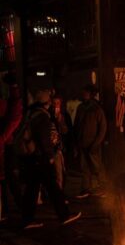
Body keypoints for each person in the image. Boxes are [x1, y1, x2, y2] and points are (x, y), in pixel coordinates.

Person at [19, 90, 80, 229]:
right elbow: (44, 139)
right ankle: (64, 215)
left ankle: (27, 220)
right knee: (53, 187)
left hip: (32, 156)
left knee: (32, 189)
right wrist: (50, 156)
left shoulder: (31, 113)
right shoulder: (42, 117)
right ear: (46, 103)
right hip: (41, 158)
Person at [74, 84, 107, 198]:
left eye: (86, 92)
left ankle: (104, 188)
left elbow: (103, 128)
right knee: (84, 168)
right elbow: (77, 125)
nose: (83, 94)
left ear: (91, 94)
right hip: (82, 143)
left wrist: (96, 143)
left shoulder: (97, 109)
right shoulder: (80, 107)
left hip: (93, 144)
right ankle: (85, 189)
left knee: (97, 167)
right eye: (83, 92)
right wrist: (77, 142)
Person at [0, 72, 23, 220]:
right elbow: (15, 115)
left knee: (8, 178)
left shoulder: (5, 106)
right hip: (5, 145)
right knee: (8, 179)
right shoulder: (7, 106)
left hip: (5, 147)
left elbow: (14, 115)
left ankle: (10, 208)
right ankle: (12, 208)